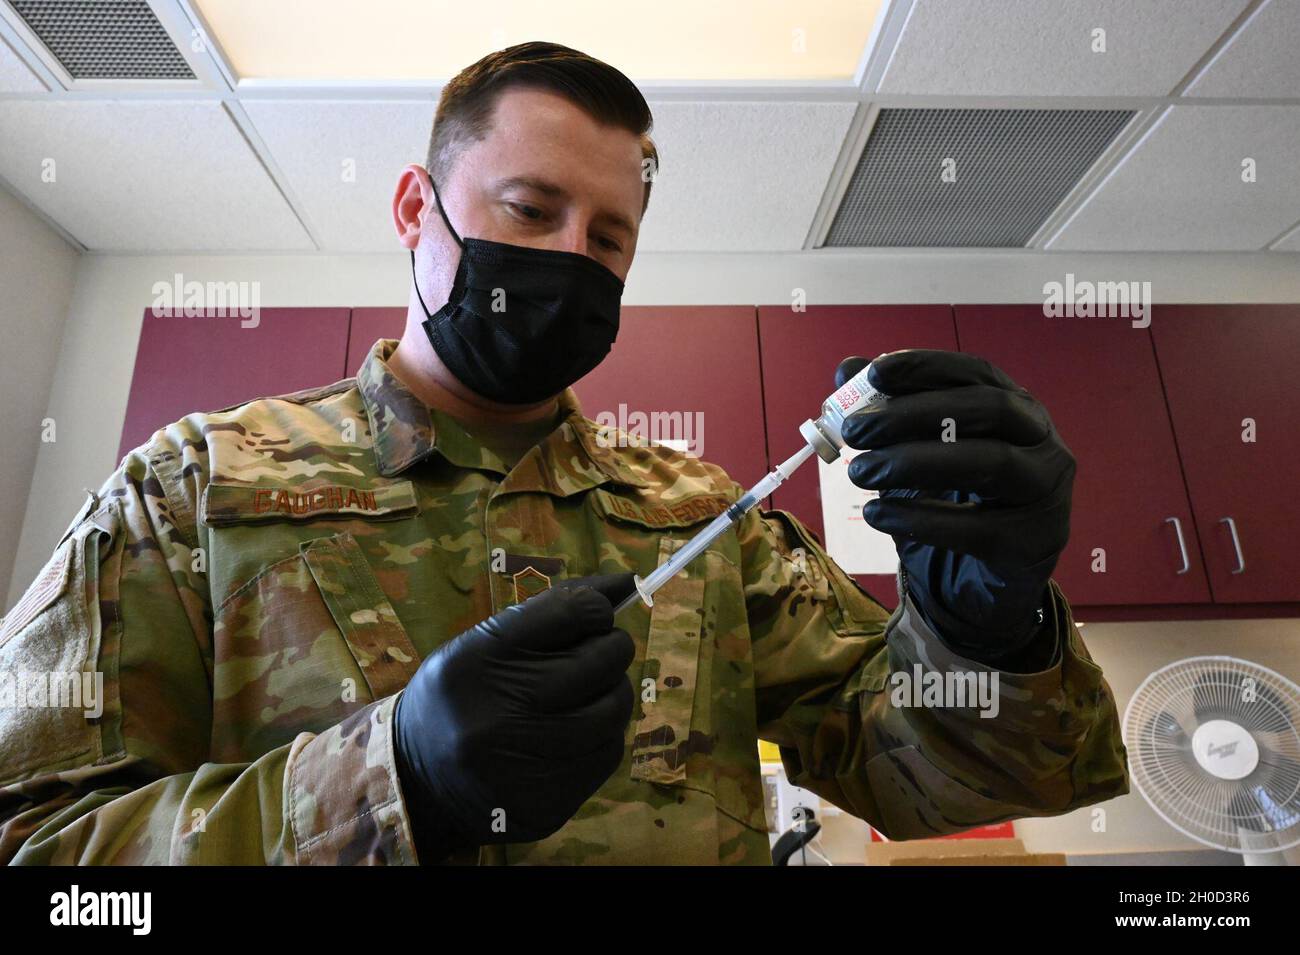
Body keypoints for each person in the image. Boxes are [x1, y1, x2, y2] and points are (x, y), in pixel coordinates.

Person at [0, 42, 1126, 865]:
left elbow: (937, 774)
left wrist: (988, 622)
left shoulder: (697, 517)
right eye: (530, 211)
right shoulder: (192, 492)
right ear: (415, 207)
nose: (568, 259)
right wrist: (393, 781)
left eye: (608, 237)